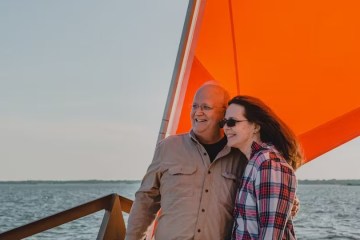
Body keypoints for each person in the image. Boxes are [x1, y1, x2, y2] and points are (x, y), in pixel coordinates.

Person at [125, 82, 248, 239]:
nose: (198, 112)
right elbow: (145, 201)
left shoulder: (241, 157)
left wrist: (289, 203)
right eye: (194, 106)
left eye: (206, 107)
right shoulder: (168, 147)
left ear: (224, 114)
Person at [221, 95, 303, 239]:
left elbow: (271, 235)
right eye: (224, 122)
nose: (226, 127)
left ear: (256, 126)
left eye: (233, 122)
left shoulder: (269, 164)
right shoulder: (255, 162)